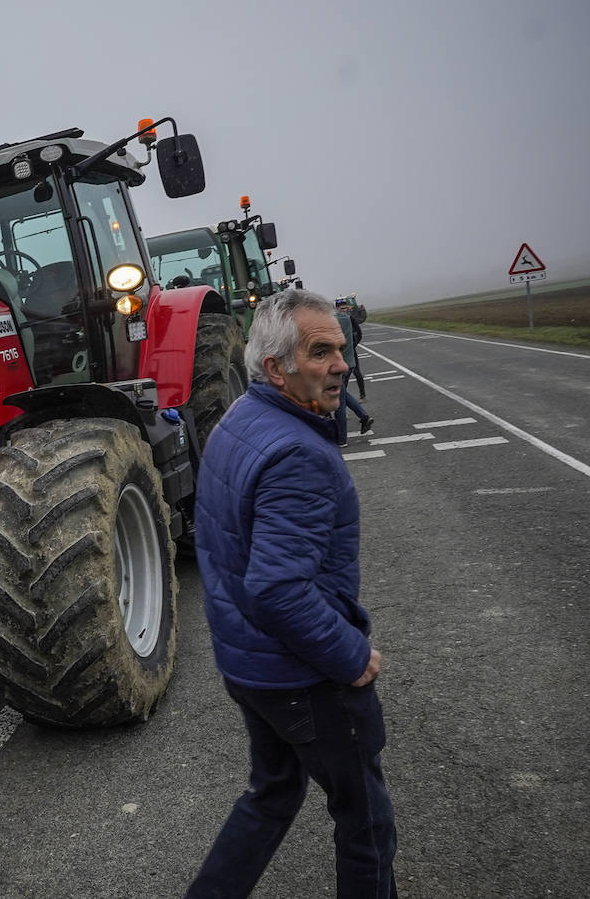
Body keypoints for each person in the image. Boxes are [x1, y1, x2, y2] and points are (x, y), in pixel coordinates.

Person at [186, 290, 398, 898]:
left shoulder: (239, 421)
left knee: (272, 792)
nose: (340, 364)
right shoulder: (298, 452)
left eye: (340, 348)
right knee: (365, 821)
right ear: (276, 367)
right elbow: (278, 589)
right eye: (320, 352)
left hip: (249, 666)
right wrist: (351, 657)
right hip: (301, 676)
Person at [333, 304, 373, 445]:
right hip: (349, 362)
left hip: (337, 366)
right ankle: (364, 417)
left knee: (339, 403)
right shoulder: (348, 318)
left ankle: (341, 439)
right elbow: (358, 334)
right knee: (343, 394)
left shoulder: (331, 321)